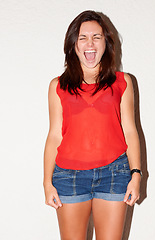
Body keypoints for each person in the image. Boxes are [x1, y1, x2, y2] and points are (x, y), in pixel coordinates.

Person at [43, 10, 142, 240]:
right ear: (73, 45)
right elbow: (54, 136)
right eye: (83, 37)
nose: (90, 43)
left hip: (114, 174)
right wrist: (47, 183)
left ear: (106, 43)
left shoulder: (122, 82)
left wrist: (136, 174)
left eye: (96, 37)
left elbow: (130, 130)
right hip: (68, 177)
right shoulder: (57, 86)